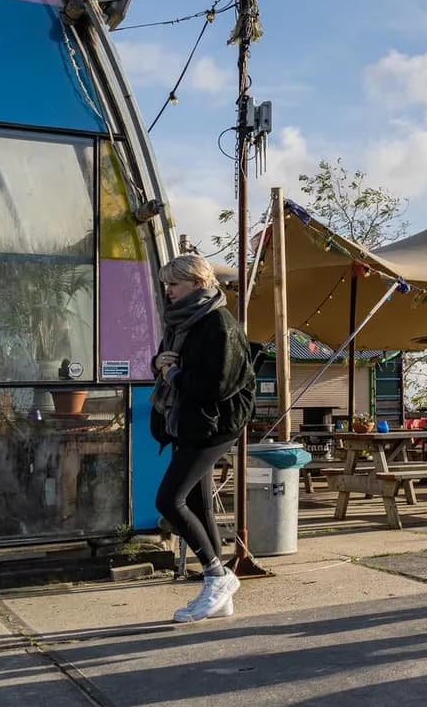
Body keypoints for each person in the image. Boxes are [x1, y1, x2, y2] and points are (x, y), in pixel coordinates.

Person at [150, 255, 255, 623]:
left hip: (214, 423)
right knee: (196, 502)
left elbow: (214, 386)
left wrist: (173, 372)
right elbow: (164, 362)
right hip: (187, 421)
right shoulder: (181, 321)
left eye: (174, 285)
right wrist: (162, 364)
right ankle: (219, 593)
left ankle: (216, 575)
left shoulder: (218, 324)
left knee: (168, 499)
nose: (168, 292)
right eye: (166, 285)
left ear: (197, 283)